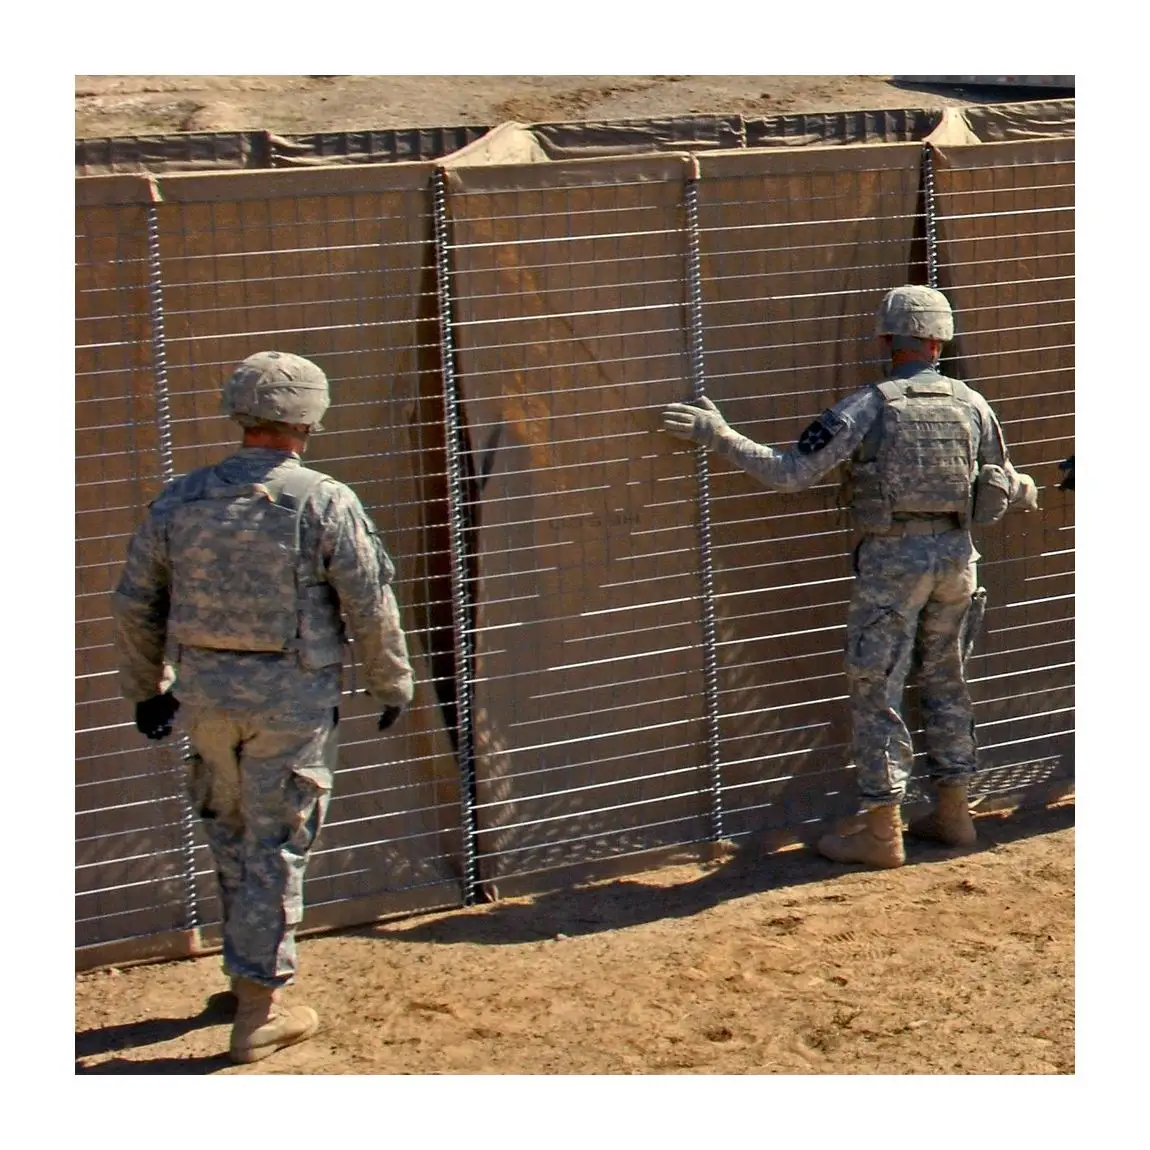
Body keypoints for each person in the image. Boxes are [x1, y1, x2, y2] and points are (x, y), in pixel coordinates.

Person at [662, 285, 1037, 870]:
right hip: (959, 560)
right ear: (940, 340)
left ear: (888, 340)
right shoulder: (974, 404)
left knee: (877, 689)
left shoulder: (870, 405)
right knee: (947, 680)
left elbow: (791, 472)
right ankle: (955, 812)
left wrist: (719, 435)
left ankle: (881, 831)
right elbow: (1005, 484)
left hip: (892, 563)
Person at [112, 350, 415, 1063]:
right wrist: (392, 682)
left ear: (238, 411)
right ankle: (259, 1010)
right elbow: (369, 604)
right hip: (291, 705)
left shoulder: (179, 499)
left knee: (229, 830)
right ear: (310, 417)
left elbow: (134, 603)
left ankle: (243, 972)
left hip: (205, 699)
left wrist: (144, 689)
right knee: (278, 843)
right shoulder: (324, 500)